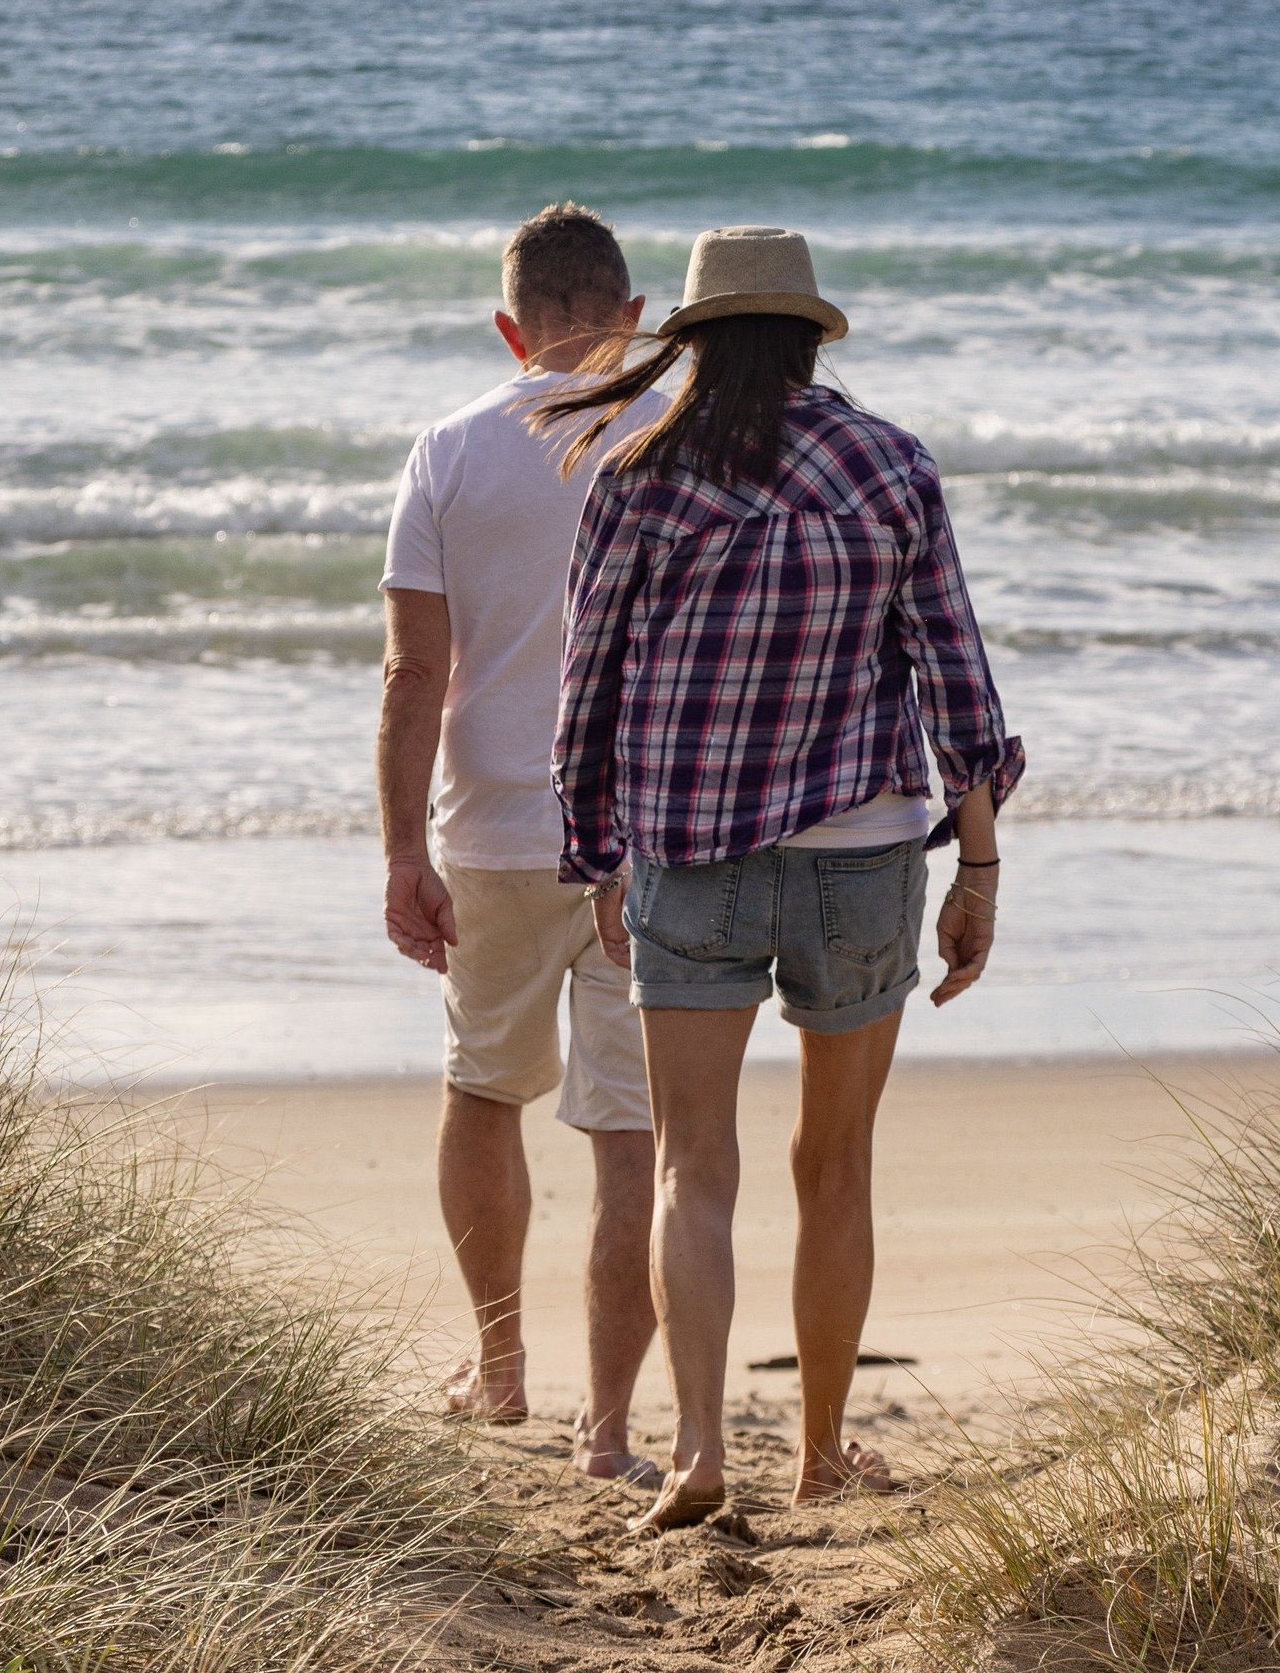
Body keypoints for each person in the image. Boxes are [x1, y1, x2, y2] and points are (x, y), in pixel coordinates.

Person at [538, 225, 1023, 1528]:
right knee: (838, 1164)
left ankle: (698, 1452)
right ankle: (815, 1454)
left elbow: (586, 700)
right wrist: (978, 869)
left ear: (692, 343)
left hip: (689, 860)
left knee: (695, 1165)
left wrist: (593, 856)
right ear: (812, 337)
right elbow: (961, 694)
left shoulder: (635, 477)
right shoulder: (892, 466)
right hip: (862, 864)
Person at [378, 203, 668, 1482]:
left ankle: (498, 1367)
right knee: (631, 1132)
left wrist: (400, 852)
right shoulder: (672, 433)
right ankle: (608, 1429)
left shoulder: (445, 448)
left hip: (492, 832)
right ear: (635, 315)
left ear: (510, 329)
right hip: (651, 842)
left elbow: (410, 671)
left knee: (484, 1085)